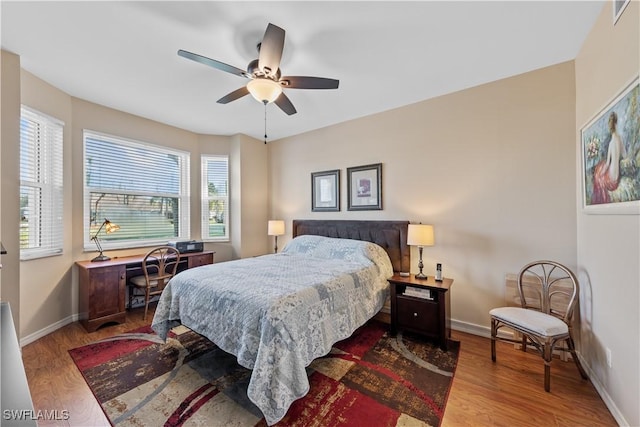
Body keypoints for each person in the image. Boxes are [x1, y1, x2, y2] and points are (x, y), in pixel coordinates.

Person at [591, 111, 627, 204]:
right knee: (601, 166)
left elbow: (607, 164)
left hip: (611, 180)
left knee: (598, 171)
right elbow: (625, 155)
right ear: (616, 123)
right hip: (616, 177)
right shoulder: (620, 139)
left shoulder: (611, 144)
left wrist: (601, 174)